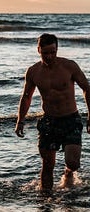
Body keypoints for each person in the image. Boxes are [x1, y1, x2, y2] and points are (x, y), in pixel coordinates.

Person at [15, 33, 90, 194]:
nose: (49, 56)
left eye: (53, 52)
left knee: (73, 163)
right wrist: (20, 120)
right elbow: (26, 97)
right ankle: (45, 201)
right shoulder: (33, 71)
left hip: (71, 119)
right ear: (38, 50)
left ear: (57, 49)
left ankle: (68, 173)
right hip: (49, 121)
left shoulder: (69, 66)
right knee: (48, 165)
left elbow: (87, 89)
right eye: (45, 53)